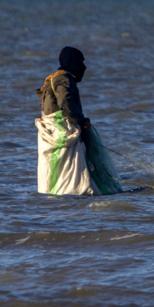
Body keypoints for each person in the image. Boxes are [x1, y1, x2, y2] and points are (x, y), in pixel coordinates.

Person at [35, 46, 98, 195]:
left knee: (58, 168)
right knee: (70, 168)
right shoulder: (63, 79)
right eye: (80, 62)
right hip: (62, 130)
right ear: (72, 63)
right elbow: (66, 103)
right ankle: (74, 194)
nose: (83, 67)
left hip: (52, 131)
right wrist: (81, 121)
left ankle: (58, 194)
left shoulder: (54, 78)